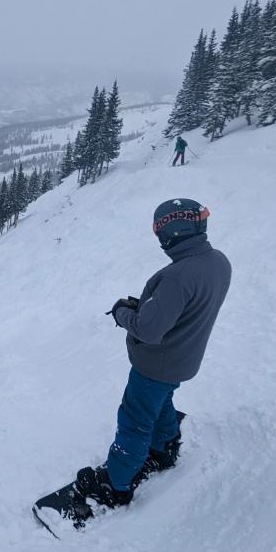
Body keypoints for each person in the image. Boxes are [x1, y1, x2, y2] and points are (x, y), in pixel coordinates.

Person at [80, 198, 231, 508]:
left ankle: (116, 484)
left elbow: (148, 331)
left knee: (135, 419)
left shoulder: (177, 276)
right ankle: (162, 447)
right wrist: (150, 308)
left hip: (156, 364)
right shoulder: (218, 262)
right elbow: (185, 307)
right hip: (183, 358)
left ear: (170, 232)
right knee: (160, 400)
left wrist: (124, 312)